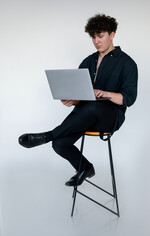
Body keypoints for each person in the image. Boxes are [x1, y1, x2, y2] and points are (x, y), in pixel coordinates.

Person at [18, 14, 138, 186]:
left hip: (110, 116)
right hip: (85, 115)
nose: (97, 41)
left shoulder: (127, 63)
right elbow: (81, 95)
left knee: (93, 108)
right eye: (93, 37)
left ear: (112, 34)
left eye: (101, 35)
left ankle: (47, 136)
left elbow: (129, 98)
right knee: (59, 144)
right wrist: (72, 100)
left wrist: (105, 93)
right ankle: (85, 167)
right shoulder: (87, 61)